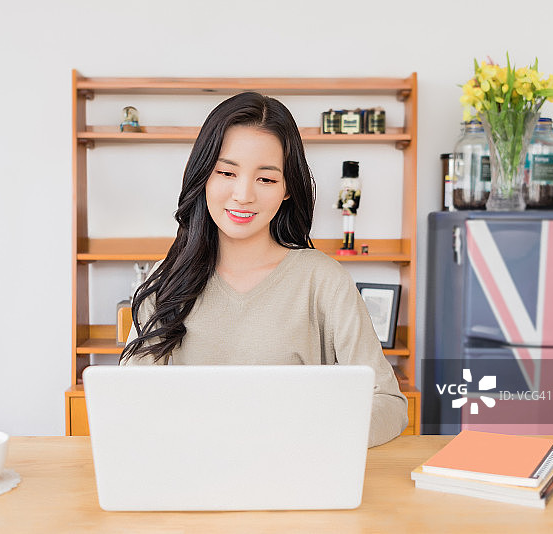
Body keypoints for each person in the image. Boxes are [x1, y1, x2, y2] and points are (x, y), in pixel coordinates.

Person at [119, 92, 408, 446]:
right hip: (193, 478)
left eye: (266, 179)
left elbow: (388, 403)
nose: (243, 194)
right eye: (226, 172)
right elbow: (130, 404)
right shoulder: (168, 279)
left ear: (287, 188)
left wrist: (320, 436)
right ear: (203, 176)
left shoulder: (323, 280)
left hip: (295, 477)